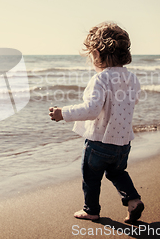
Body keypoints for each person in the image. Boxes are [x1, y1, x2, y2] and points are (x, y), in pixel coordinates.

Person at [48, 21, 144, 224]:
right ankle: (133, 200)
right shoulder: (132, 78)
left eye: (91, 55)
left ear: (98, 54)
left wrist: (62, 113)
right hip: (123, 143)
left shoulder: (100, 79)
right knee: (117, 173)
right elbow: (132, 101)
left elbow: (91, 110)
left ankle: (91, 210)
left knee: (91, 178)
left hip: (99, 143)